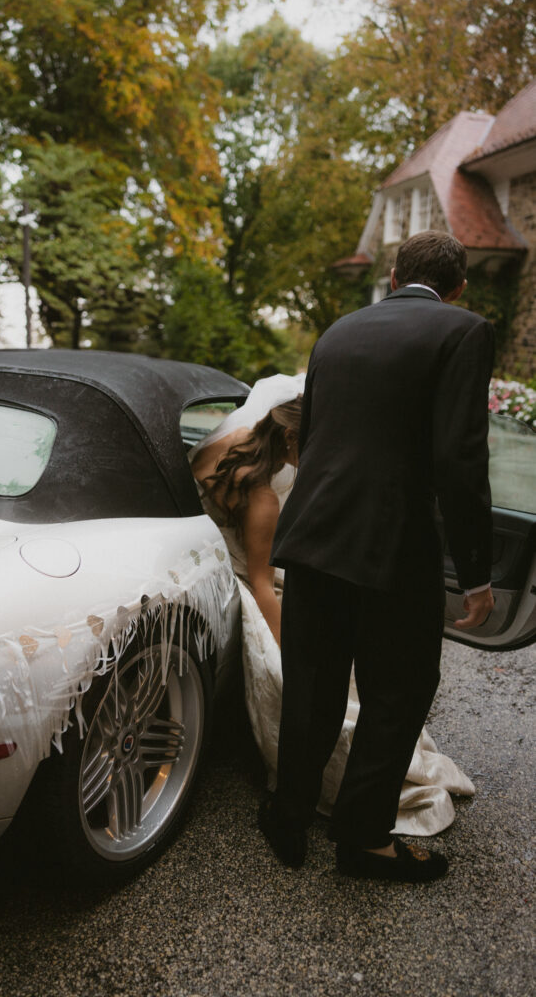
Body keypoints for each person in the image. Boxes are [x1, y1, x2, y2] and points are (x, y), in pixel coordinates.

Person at [262, 230, 495, 881]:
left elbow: (317, 439)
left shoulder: (337, 332)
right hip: (393, 548)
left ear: (392, 275)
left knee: (313, 684)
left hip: (312, 534)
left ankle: (287, 818)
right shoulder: (462, 331)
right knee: (397, 690)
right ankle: (363, 840)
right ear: (457, 288)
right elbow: (458, 458)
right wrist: (474, 573)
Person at [190, 369, 475, 844]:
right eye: (310, 444)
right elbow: (260, 583)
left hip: (205, 555)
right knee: (325, 680)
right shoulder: (261, 497)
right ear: (287, 436)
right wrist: (289, 650)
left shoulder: (230, 443)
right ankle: (350, 791)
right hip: (241, 577)